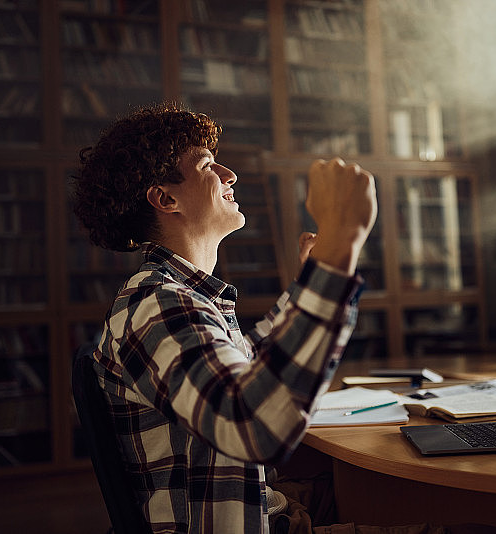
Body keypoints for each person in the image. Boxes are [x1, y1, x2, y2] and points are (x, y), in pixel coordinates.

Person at [72, 103, 385, 533]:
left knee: (374, 487)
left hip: (265, 508)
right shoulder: (156, 305)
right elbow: (255, 422)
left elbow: (245, 364)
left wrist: (315, 277)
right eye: (206, 165)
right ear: (166, 198)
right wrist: (339, 250)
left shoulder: (180, 297)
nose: (228, 173)